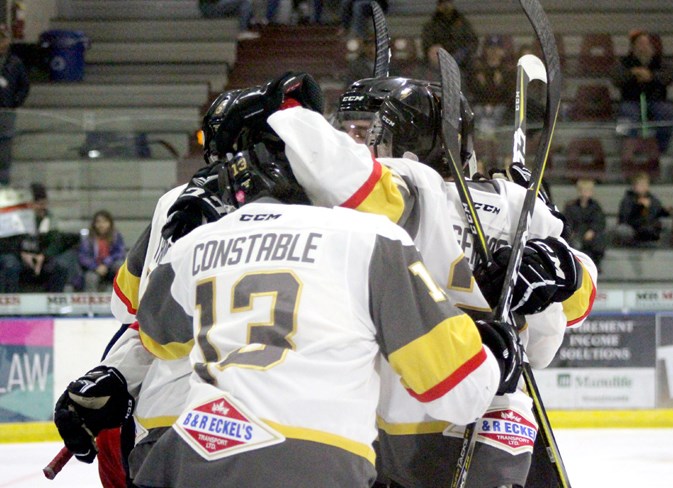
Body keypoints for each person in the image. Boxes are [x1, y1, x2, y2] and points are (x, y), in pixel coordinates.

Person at [53, 73, 522, 488]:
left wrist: (177, 256)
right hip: (324, 461)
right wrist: (494, 361)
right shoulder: (370, 232)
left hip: (186, 445)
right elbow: (455, 386)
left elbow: (147, 328)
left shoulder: (192, 226)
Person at [311, 76, 597, 487]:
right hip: (485, 419)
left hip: (419, 422)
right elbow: (550, 338)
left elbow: (577, 303)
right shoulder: (515, 204)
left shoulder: (402, 189)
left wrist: (563, 271)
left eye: (362, 131)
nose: (355, 144)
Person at [612, 30, 673, 154]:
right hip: (630, 101)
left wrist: (651, 76)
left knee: (669, 114)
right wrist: (632, 73)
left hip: (657, 101)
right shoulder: (624, 62)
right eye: (640, 43)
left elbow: (670, 76)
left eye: (646, 43)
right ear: (633, 46)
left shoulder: (660, 61)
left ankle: (660, 150)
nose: (644, 47)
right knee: (624, 118)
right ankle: (629, 151)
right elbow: (615, 78)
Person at [18, 182, 81, 292]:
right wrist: (22, 254)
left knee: (60, 267)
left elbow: (55, 242)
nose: (42, 207)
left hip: (42, 258)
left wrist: (43, 256)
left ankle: (54, 301)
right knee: (9, 264)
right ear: (31, 204)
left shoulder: (50, 219)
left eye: (44, 203)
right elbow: (13, 241)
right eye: (38, 204)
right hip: (21, 257)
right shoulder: (21, 219)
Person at [0, 25, 30, 186]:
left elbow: (24, 86)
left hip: (6, 113)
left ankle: (3, 186)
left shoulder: (14, 62)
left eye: (3, 39)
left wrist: (14, 103)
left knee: (4, 153)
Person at [469, 34, 515, 136]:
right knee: (477, 112)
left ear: (502, 51)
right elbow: (474, 91)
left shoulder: (507, 70)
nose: (494, 52)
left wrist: (498, 84)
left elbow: (508, 95)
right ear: (486, 50)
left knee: (499, 112)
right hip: (481, 106)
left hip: (501, 107)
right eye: (491, 48)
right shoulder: (478, 69)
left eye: (497, 49)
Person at [420, 0, 478, 78]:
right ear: (438, 6)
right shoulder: (431, 25)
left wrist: (462, 54)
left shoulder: (463, 23)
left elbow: (473, 41)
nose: (446, 6)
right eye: (443, 4)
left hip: (462, 64)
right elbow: (427, 46)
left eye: (448, 3)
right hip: (439, 64)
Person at [615, 171, 671, 246]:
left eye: (645, 184)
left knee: (666, 224)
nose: (644, 187)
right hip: (633, 228)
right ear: (634, 186)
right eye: (641, 185)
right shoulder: (627, 200)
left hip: (650, 226)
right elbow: (624, 218)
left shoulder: (653, 199)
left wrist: (667, 211)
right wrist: (639, 207)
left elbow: (658, 212)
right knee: (622, 229)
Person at [78, 210, 127, 292]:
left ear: (110, 223)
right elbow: (83, 257)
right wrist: (95, 267)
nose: (101, 225)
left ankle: (122, 296)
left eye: (104, 222)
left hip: (111, 266)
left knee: (120, 267)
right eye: (98, 222)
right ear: (94, 224)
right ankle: (92, 302)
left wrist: (106, 264)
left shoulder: (116, 236)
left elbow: (120, 253)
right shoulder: (88, 239)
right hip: (95, 268)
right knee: (90, 278)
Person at [564, 178, 606, 269]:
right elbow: (568, 221)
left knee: (599, 239)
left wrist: (592, 231)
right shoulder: (571, 206)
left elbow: (599, 221)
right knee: (573, 242)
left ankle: (595, 264)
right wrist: (573, 233)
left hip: (591, 234)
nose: (585, 193)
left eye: (588, 190)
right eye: (583, 190)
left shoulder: (596, 206)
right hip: (576, 233)